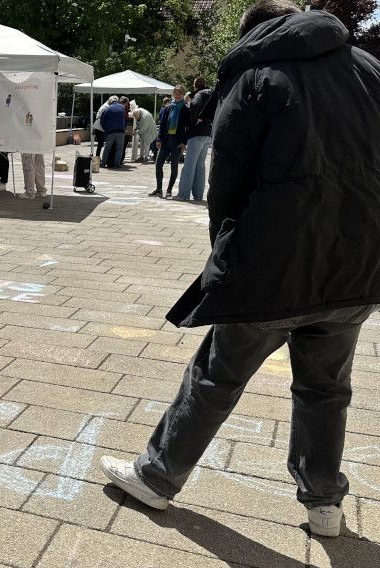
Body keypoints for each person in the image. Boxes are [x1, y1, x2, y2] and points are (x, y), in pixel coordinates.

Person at [100, 0, 380, 539]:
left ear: (258, 31)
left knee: (217, 375)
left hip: (275, 265)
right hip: (360, 264)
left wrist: (226, 254)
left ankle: (156, 478)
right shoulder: (369, 69)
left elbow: (226, 178)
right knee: (326, 388)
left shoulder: (258, 76)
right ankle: (325, 505)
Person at [175, 76, 214, 201]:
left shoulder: (199, 94)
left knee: (189, 165)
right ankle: (198, 195)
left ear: (195, 85)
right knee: (200, 166)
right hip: (209, 133)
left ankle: (183, 194)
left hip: (197, 133)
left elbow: (195, 104)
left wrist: (194, 120)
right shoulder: (212, 93)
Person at [150, 85, 190, 197]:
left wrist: (184, 142)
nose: (177, 95)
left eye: (180, 93)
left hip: (177, 141)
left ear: (183, 95)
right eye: (176, 93)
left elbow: (188, 127)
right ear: (173, 94)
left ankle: (169, 190)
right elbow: (162, 125)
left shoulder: (185, 109)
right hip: (166, 140)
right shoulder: (168, 108)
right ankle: (159, 189)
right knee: (158, 164)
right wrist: (159, 139)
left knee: (174, 166)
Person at [100, 97, 126, 169]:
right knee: (119, 148)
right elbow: (125, 118)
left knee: (107, 148)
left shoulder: (106, 109)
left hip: (110, 131)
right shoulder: (122, 107)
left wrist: (106, 129)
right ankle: (117, 164)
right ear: (117, 101)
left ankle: (103, 163)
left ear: (110, 102)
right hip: (120, 131)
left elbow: (102, 122)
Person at [119, 97, 134, 165]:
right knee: (123, 146)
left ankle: (120, 160)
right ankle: (120, 160)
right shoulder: (124, 109)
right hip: (125, 129)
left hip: (123, 129)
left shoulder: (121, 108)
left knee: (122, 146)